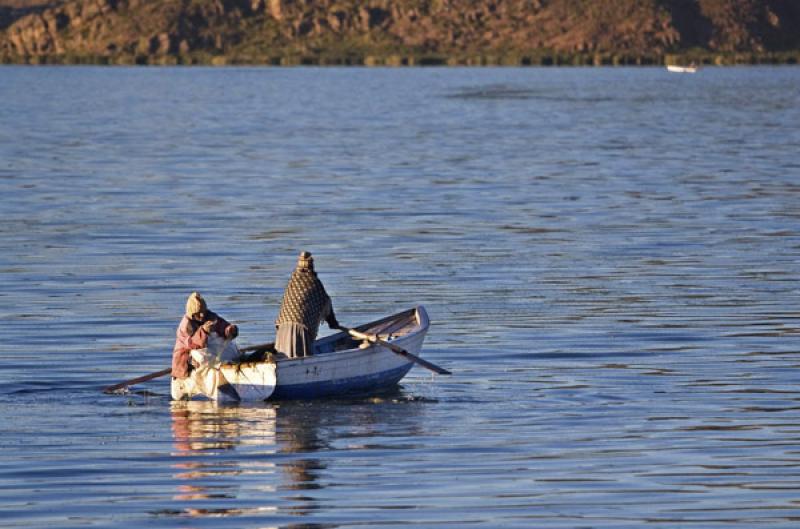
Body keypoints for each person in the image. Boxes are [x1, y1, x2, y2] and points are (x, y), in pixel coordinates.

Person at [274, 251, 339, 358]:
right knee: (299, 356)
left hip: (283, 329)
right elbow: (325, 302)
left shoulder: (292, 282)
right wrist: (333, 322)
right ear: (312, 266)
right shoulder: (314, 283)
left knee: (283, 356)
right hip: (300, 331)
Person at [171, 291, 239, 380]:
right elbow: (191, 344)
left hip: (208, 354)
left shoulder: (210, 316)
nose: (202, 315)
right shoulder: (186, 326)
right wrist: (203, 331)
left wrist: (229, 330)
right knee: (196, 354)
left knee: (226, 345)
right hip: (185, 363)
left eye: (203, 311)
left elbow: (222, 325)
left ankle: (225, 366)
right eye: (198, 313)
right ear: (192, 314)